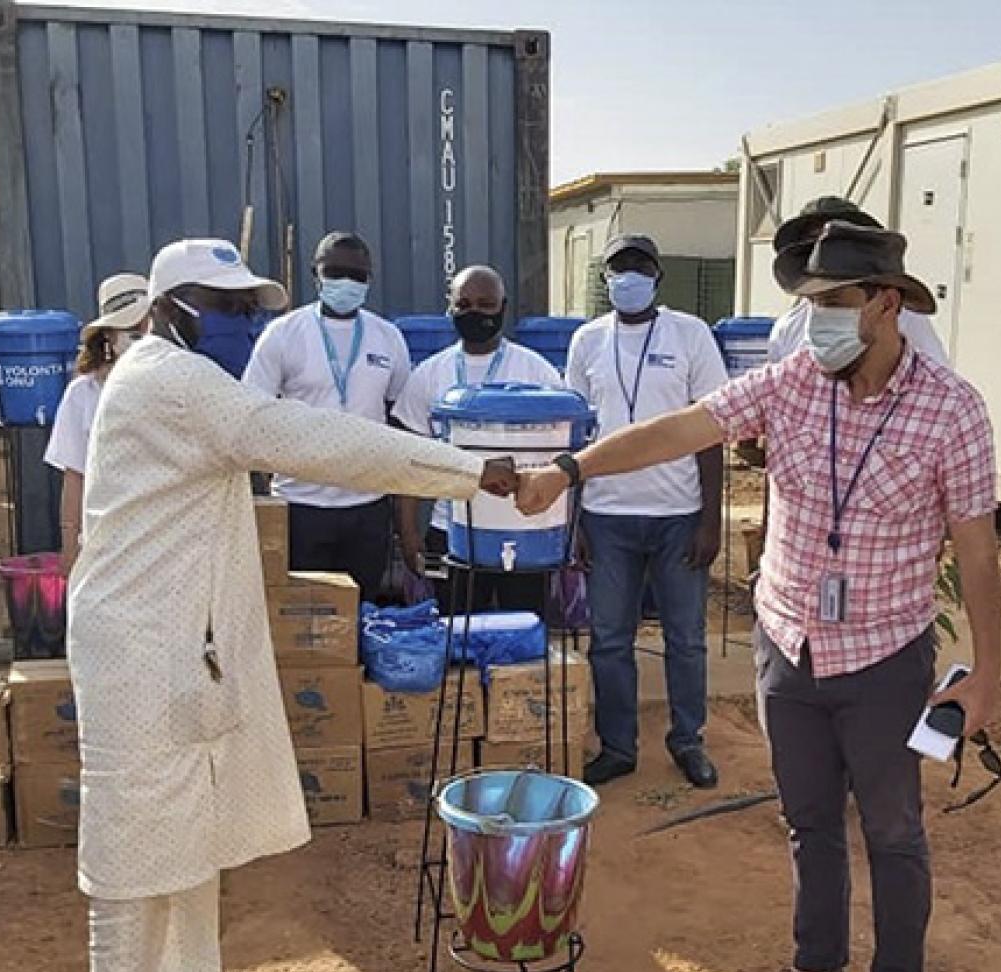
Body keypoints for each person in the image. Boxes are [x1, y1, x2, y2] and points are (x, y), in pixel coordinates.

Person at [516, 221, 1001, 972]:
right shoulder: (792, 382)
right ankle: (817, 967)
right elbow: (680, 429)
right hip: (789, 642)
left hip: (886, 655)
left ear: (887, 304)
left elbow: (979, 551)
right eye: (809, 302)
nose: (817, 319)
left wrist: (987, 674)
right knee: (808, 820)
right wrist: (569, 471)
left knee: (893, 831)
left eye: (835, 302)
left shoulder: (952, 410)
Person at [69, 238, 515, 972]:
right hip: (137, 655)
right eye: (225, 306)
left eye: (249, 308)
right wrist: (467, 470)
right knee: (135, 867)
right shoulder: (172, 381)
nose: (243, 322)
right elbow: (316, 440)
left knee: (190, 835)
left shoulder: (179, 378)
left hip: (179, 648)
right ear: (171, 307)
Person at [564, 233, 727, 791]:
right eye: (618, 268)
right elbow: (575, 434)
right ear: (605, 278)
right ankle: (617, 746)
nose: (628, 277)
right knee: (609, 639)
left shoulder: (691, 334)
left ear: (658, 277)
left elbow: (711, 428)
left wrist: (711, 519)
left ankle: (688, 740)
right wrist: (574, 518)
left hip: (678, 513)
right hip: (606, 515)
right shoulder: (587, 340)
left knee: (686, 638)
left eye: (639, 267)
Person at [243, 232, 411, 597]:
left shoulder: (388, 337)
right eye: (335, 272)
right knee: (303, 613)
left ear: (369, 279)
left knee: (362, 610)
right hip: (301, 504)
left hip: (367, 505)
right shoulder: (283, 334)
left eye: (357, 275)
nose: (346, 282)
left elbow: (398, 415)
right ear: (315, 274)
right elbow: (253, 412)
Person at [392, 264, 562, 615]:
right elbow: (408, 460)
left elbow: (563, 457)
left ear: (503, 307)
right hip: (451, 530)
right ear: (450, 307)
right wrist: (408, 532)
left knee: (523, 631)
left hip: (522, 529)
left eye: (486, 305)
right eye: (464, 304)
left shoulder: (537, 371)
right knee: (458, 634)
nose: (475, 313)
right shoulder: (429, 374)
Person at [44, 273, 149, 573]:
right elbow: (74, 474)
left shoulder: (178, 385)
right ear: (109, 338)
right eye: (133, 332)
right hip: (106, 538)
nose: (143, 340)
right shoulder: (83, 394)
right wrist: (70, 546)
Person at [766, 196, 948, 366]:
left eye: (839, 243)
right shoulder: (788, 329)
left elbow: (936, 372)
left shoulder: (902, 317)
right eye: (814, 245)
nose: (825, 255)